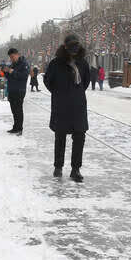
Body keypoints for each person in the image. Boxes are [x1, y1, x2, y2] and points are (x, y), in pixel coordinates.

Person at [44, 34, 90, 183]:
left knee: (79, 137)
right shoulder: (55, 63)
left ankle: (75, 169)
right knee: (60, 137)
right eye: (71, 45)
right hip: (61, 105)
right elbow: (48, 81)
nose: (74, 47)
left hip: (78, 106)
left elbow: (86, 81)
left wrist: (76, 93)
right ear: (65, 46)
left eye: (76, 44)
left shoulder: (83, 63)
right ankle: (58, 166)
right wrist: (59, 93)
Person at [3, 48, 29, 134]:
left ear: (17, 54)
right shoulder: (12, 64)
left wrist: (12, 71)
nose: (12, 59)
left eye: (13, 57)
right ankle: (15, 127)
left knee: (18, 109)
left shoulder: (24, 64)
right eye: (10, 57)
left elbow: (23, 76)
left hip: (19, 90)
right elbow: (10, 76)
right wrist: (6, 72)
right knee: (14, 110)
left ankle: (19, 128)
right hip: (12, 89)